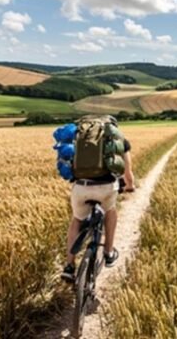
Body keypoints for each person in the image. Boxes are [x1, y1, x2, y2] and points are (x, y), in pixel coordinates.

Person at [61, 120, 135, 283]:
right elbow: (128, 173)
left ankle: (69, 265)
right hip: (106, 188)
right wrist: (130, 186)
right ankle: (108, 252)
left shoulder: (79, 138)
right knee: (110, 211)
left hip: (81, 187)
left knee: (77, 220)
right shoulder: (118, 139)